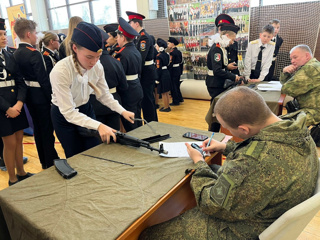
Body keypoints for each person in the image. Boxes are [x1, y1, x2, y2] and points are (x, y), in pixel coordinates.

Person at [139, 86, 319, 240]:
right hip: (273, 205)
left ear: (243, 129)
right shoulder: (295, 130)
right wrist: (226, 147)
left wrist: (199, 162)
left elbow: (210, 204)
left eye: (229, 128)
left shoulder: (253, 162)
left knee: (150, 235)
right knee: (214, 171)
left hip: (245, 227)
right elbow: (262, 150)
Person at [50, 21, 134, 158]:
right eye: (89, 57)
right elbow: (69, 112)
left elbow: (103, 95)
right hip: (63, 115)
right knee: (75, 156)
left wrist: (122, 111)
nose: (94, 62)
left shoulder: (97, 66)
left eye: (98, 57)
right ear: (75, 48)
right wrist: (99, 126)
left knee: (94, 150)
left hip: (85, 108)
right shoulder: (61, 71)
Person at [14, 18, 59, 169]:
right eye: (35, 32)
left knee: (38, 130)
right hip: (41, 97)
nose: (37, 35)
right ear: (28, 34)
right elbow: (43, 80)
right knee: (46, 130)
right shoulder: (34, 53)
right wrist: (52, 98)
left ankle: (43, 159)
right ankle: (50, 159)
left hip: (28, 98)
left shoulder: (16, 53)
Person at [0, 18, 32, 185]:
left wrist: (19, 103)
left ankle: (22, 172)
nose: (4, 37)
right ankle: (12, 178)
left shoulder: (9, 55)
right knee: (10, 143)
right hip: (3, 109)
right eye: (0, 35)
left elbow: (20, 81)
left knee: (19, 139)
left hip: (16, 106)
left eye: (4, 34)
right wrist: (8, 108)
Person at [89, 28, 128, 131]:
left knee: (99, 136)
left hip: (96, 102)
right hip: (114, 100)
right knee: (115, 134)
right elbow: (123, 86)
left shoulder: (90, 64)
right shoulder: (115, 61)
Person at [206, 22, 240, 132]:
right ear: (227, 36)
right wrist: (233, 77)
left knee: (220, 109)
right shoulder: (217, 49)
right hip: (215, 83)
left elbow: (220, 66)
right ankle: (213, 132)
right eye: (232, 39)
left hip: (218, 81)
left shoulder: (221, 47)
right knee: (216, 110)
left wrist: (227, 67)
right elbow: (217, 70)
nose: (232, 42)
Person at [113, 17, 144, 132]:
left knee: (130, 123)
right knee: (137, 119)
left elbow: (120, 77)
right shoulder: (135, 51)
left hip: (128, 91)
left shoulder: (122, 54)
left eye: (118, 37)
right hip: (137, 87)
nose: (117, 40)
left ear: (123, 37)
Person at [127, 11, 158, 123]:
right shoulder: (138, 38)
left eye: (130, 23)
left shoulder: (144, 38)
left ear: (136, 24)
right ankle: (152, 121)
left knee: (148, 100)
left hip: (146, 72)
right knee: (146, 99)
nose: (129, 26)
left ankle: (152, 122)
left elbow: (140, 57)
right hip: (145, 71)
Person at [280, 44, 320, 126]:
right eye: (291, 58)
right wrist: (285, 72)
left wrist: (286, 73)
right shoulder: (315, 65)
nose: (292, 61)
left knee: (277, 124)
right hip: (312, 110)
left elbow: (287, 89)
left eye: (295, 57)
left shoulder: (309, 68)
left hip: (314, 113)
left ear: (307, 56)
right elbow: (287, 85)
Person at [155, 38, 171, 112]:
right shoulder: (167, 55)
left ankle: (165, 107)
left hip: (162, 74)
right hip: (166, 73)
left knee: (163, 92)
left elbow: (158, 68)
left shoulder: (159, 56)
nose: (156, 47)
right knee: (167, 92)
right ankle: (167, 105)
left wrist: (157, 78)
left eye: (157, 46)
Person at [167, 37, 184, 106]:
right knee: (177, 85)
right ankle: (180, 98)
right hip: (178, 69)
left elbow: (170, 63)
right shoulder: (178, 52)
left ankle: (175, 101)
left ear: (172, 44)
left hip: (173, 70)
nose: (167, 45)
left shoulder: (172, 53)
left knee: (173, 86)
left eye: (168, 43)